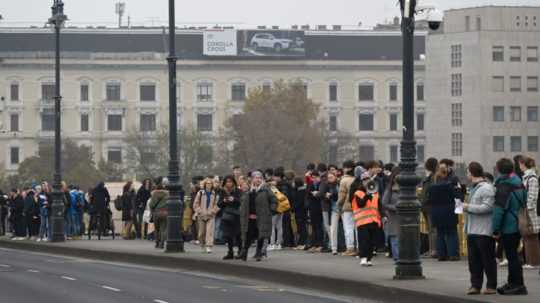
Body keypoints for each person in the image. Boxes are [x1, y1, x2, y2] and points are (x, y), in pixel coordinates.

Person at [492, 158, 527, 295]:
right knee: (513, 255)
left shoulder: (504, 186)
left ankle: (517, 285)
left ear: (499, 170)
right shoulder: (519, 182)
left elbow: (498, 210)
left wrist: (495, 229)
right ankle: (513, 282)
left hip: (508, 225)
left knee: (512, 257)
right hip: (517, 222)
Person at [462, 162, 497, 295]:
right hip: (473, 229)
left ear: (471, 173)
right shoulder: (474, 187)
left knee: (487, 260)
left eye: (467, 173)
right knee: (474, 261)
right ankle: (475, 285)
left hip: (483, 230)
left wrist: (467, 207)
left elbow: (488, 207)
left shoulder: (486, 188)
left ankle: (491, 286)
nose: (466, 175)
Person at [238, 171, 277, 262]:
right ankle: (245, 252)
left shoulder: (266, 189)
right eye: (256, 178)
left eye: (260, 178)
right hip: (249, 217)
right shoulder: (248, 190)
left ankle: (259, 253)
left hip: (262, 217)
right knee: (248, 235)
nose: (258, 179)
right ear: (252, 179)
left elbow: (274, 200)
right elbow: (242, 201)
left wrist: (271, 210)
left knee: (261, 235)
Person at [428, 163, 460, 261]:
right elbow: (457, 197)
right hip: (449, 211)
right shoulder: (449, 186)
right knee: (451, 233)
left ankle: (441, 255)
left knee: (440, 234)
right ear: (446, 174)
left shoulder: (432, 187)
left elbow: (430, 200)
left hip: (436, 212)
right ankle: (453, 254)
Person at [352, 172, 382, 266]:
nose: (366, 181)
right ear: (362, 182)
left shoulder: (375, 192)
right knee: (364, 240)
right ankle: (363, 258)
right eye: (364, 180)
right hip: (362, 221)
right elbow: (360, 204)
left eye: (368, 179)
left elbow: (379, 206)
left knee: (372, 241)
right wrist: (366, 196)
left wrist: (383, 216)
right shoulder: (358, 192)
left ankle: (369, 259)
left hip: (374, 220)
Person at [520, 157, 540, 268]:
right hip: (528, 210)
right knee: (528, 237)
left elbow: (532, 196)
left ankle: (534, 262)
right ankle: (530, 261)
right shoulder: (528, 177)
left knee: (531, 237)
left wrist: (527, 208)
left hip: (530, 212)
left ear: (523, 164)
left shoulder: (531, 178)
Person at [217, 175, 242, 260]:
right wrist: (224, 201)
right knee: (228, 235)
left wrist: (234, 199)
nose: (229, 183)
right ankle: (230, 252)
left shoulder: (238, 191)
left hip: (236, 215)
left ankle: (240, 251)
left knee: (238, 234)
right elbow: (219, 204)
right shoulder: (222, 191)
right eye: (227, 182)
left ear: (233, 182)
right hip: (226, 216)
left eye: (230, 181)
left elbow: (241, 201)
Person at [192, 178, 219, 253]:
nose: (208, 185)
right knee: (201, 233)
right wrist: (200, 211)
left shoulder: (215, 194)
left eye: (210, 183)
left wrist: (213, 212)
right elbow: (195, 204)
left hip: (211, 215)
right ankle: (202, 244)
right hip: (201, 215)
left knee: (209, 231)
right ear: (204, 184)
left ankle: (209, 246)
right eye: (207, 183)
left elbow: (217, 205)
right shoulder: (200, 193)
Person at [336, 160, 357, 256]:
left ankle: (350, 248)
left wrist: (338, 205)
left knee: (348, 228)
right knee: (357, 228)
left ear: (347, 168)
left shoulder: (344, 180)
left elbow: (342, 196)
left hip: (347, 207)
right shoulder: (357, 178)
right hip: (358, 206)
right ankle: (359, 247)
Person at [420, 157, 438, 258]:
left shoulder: (433, 177)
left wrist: (425, 200)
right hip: (427, 206)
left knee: (432, 229)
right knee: (430, 229)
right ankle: (431, 249)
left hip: (429, 206)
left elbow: (430, 191)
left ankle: (433, 250)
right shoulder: (431, 176)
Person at [382, 167, 400, 262]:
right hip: (394, 217)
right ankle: (397, 259)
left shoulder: (408, 188)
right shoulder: (389, 189)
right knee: (395, 239)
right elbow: (384, 203)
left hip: (405, 218)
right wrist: (395, 207)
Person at [320, 171, 339, 255]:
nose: (330, 179)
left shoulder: (338, 184)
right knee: (333, 228)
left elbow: (338, 195)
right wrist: (328, 196)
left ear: (335, 177)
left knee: (347, 228)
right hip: (334, 208)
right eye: (329, 178)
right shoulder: (329, 185)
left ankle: (350, 247)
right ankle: (334, 248)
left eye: (331, 177)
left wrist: (330, 195)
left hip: (341, 207)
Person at [149, 177, 169, 249]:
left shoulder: (155, 194)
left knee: (157, 229)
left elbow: (151, 204)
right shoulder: (167, 194)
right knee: (163, 229)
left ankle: (157, 242)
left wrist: (152, 211)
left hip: (157, 213)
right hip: (165, 213)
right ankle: (162, 243)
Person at [306, 171, 324, 252]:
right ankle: (314, 244)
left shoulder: (321, 184)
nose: (314, 179)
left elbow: (321, 195)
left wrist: (316, 194)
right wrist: (313, 194)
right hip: (312, 208)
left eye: (315, 177)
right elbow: (307, 194)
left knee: (319, 226)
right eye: (312, 177)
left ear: (318, 177)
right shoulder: (310, 184)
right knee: (313, 227)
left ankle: (320, 244)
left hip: (320, 208)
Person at [291, 177, 308, 250]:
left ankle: (302, 243)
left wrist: (292, 208)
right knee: (300, 227)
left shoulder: (300, 192)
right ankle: (301, 243)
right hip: (300, 212)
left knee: (302, 228)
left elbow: (298, 202)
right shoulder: (300, 190)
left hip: (300, 212)